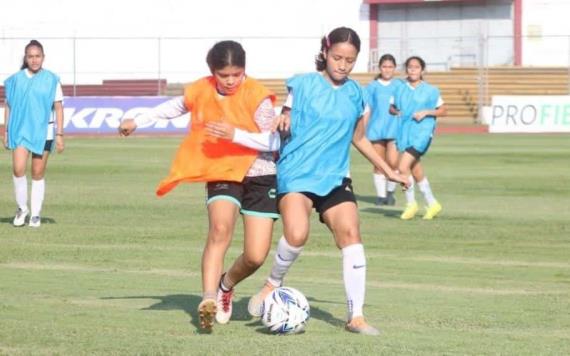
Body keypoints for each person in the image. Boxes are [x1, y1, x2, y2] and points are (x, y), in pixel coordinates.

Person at [245, 27, 408, 336]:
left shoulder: (357, 94)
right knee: (296, 234)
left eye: (350, 60)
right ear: (325, 52)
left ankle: (356, 316)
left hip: (334, 177)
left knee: (351, 234)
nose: (342, 65)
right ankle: (271, 284)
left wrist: (388, 169)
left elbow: (359, 138)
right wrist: (284, 118)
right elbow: (286, 112)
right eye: (337, 58)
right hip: (297, 173)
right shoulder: (303, 84)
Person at [119, 40, 280, 331]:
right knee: (220, 229)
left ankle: (225, 285)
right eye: (224, 75)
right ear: (212, 72)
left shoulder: (258, 97)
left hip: (260, 174)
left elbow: (275, 141)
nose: (231, 80)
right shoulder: (201, 89)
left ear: (244, 70)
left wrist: (236, 134)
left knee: (255, 256)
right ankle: (208, 299)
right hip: (220, 170)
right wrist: (137, 120)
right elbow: (173, 108)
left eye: (236, 74)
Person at [3, 40, 65, 228]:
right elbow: (8, 105)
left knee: (37, 173)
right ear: (26, 58)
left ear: (43, 57)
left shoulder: (52, 79)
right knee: (18, 169)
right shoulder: (16, 80)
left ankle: (36, 214)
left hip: (44, 131)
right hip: (20, 130)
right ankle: (22, 209)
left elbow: (58, 107)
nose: (34, 60)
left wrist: (60, 134)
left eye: (37, 56)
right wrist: (6, 130)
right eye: (30, 56)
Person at [391, 56, 447, 220]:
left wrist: (426, 112)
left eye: (416, 67)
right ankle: (432, 203)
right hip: (405, 133)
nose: (413, 70)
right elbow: (391, 108)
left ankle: (411, 204)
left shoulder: (430, 91)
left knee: (402, 167)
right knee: (415, 169)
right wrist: (396, 112)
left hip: (422, 133)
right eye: (410, 67)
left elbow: (443, 110)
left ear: (422, 70)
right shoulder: (400, 88)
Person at [362, 54, 403, 206]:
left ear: (394, 68)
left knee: (393, 162)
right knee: (379, 163)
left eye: (390, 67)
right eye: (384, 66)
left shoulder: (399, 85)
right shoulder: (372, 87)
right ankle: (380, 196)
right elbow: (367, 108)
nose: (387, 70)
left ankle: (390, 193)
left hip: (395, 129)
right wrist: (363, 129)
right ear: (380, 68)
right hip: (376, 129)